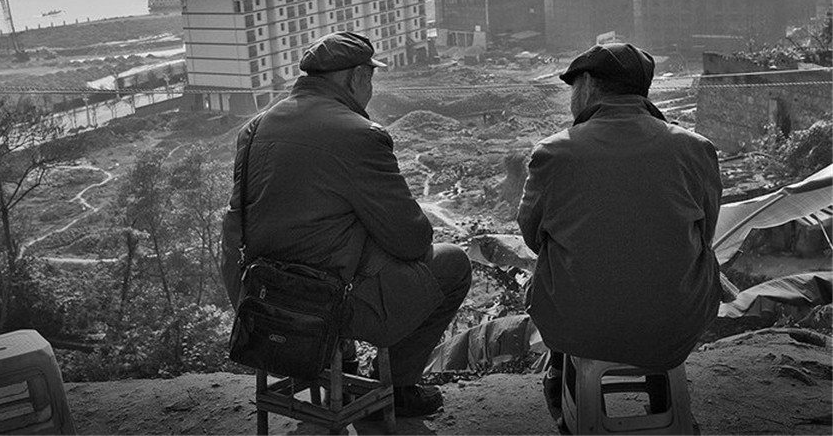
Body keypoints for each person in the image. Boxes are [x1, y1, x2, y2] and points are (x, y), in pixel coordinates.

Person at [221, 30, 472, 417]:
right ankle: (399, 386)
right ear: (356, 77)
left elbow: (239, 222)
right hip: (329, 304)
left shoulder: (253, 130)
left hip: (264, 296)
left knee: (332, 249)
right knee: (452, 263)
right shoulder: (360, 135)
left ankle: (346, 365)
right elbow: (411, 240)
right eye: (370, 77)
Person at [516, 42, 722, 420]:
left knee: (555, 263)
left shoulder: (553, 153)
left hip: (578, 325)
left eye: (573, 87)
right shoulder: (695, 149)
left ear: (589, 83)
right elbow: (705, 233)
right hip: (675, 322)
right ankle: (666, 401)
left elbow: (532, 237)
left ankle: (562, 383)